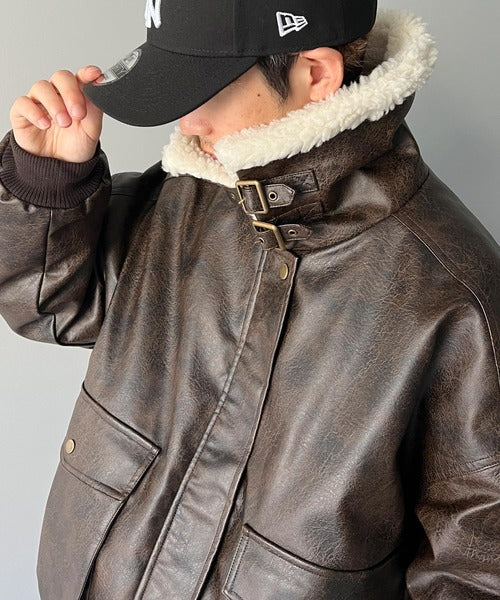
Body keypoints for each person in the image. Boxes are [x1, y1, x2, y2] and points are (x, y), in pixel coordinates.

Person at [0, 0, 499, 598]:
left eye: (204, 87)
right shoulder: (188, 196)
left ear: (316, 73)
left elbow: (477, 573)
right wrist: (51, 182)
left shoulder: (454, 295)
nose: (186, 122)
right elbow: (52, 307)